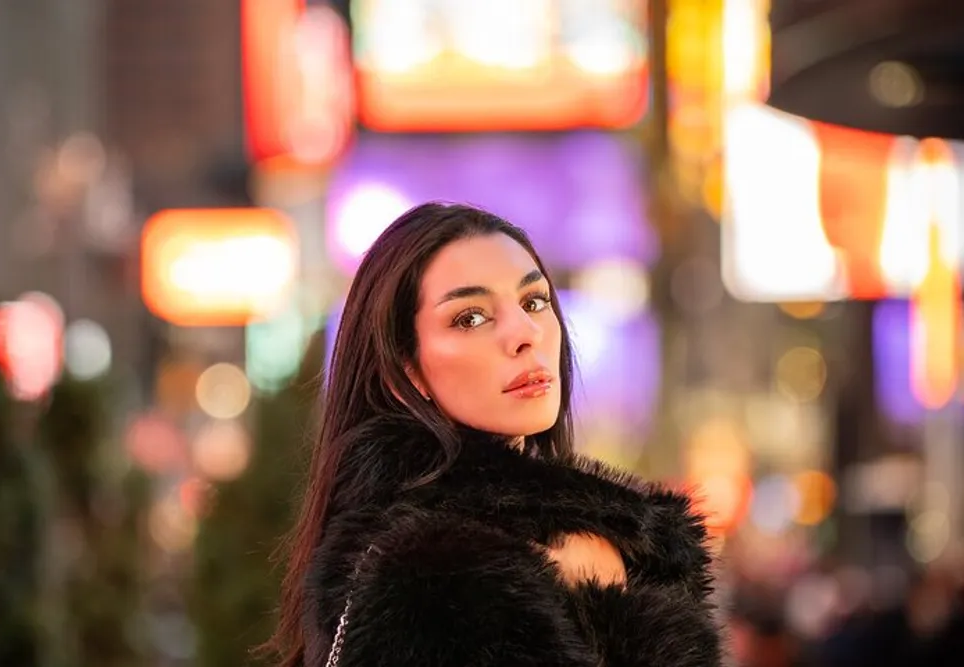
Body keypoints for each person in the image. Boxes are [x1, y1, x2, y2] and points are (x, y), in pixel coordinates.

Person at [268, 202, 723, 667]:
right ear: (405, 371)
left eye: (534, 302)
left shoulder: (393, 550)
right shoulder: (432, 578)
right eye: (471, 317)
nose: (525, 334)